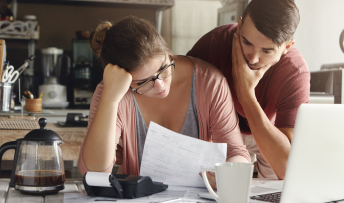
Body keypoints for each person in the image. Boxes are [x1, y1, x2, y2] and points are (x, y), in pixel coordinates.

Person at [77, 16, 251, 177]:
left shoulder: (209, 82)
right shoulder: (111, 92)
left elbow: (236, 153)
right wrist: (110, 99)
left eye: (163, 68)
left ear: (167, 51)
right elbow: (93, 173)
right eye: (143, 82)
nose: (160, 85)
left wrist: (225, 176)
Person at [187, 0, 310, 179]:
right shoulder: (214, 43)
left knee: (277, 188)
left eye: (267, 51)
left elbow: (286, 168)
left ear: (287, 47)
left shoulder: (294, 72)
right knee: (210, 185)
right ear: (239, 26)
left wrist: (246, 94)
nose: (252, 58)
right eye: (246, 42)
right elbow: (182, 98)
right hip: (219, 129)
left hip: (267, 129)